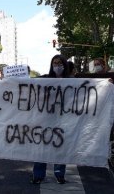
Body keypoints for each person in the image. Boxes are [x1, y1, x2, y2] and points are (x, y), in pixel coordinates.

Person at [31, 54, 69, 185]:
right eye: (54, 63)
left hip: (63, 119)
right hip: (45, 119)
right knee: (41, 147)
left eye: (60, 63)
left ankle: (60, 174)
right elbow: (29, 82)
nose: (57, 66)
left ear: (64, 64)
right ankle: (38, 175)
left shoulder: (72, 80)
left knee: (60, 147)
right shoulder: (46, 79)